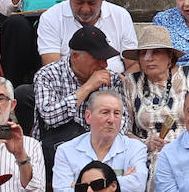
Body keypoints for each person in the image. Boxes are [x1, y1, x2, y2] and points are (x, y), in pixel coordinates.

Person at [32, 27, 131, 173]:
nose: (104, 65)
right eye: (98, 58)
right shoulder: (48, 75)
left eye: (106, 59)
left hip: (101, 150)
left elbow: (123, 121)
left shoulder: (112, 79)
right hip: (56, 151)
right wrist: (88, 87)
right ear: (75, 56)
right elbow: (49, 116)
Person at [120, 24, 189, 173]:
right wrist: (145, 143)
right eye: (144, 53)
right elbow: (124, 131)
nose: (149, 58)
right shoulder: (131, 82)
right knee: (160, 160)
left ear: (170, 56)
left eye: (156, 52)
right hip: (149, 155)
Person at [38, 0, 138, 76]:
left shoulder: (121, 16)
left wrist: (122, 82)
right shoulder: (51, 18)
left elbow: (133, 65)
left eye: (91, 3)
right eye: (79, 2)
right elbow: (51, 71)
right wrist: (90, 84)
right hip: (67, 85)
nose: (85, 9)